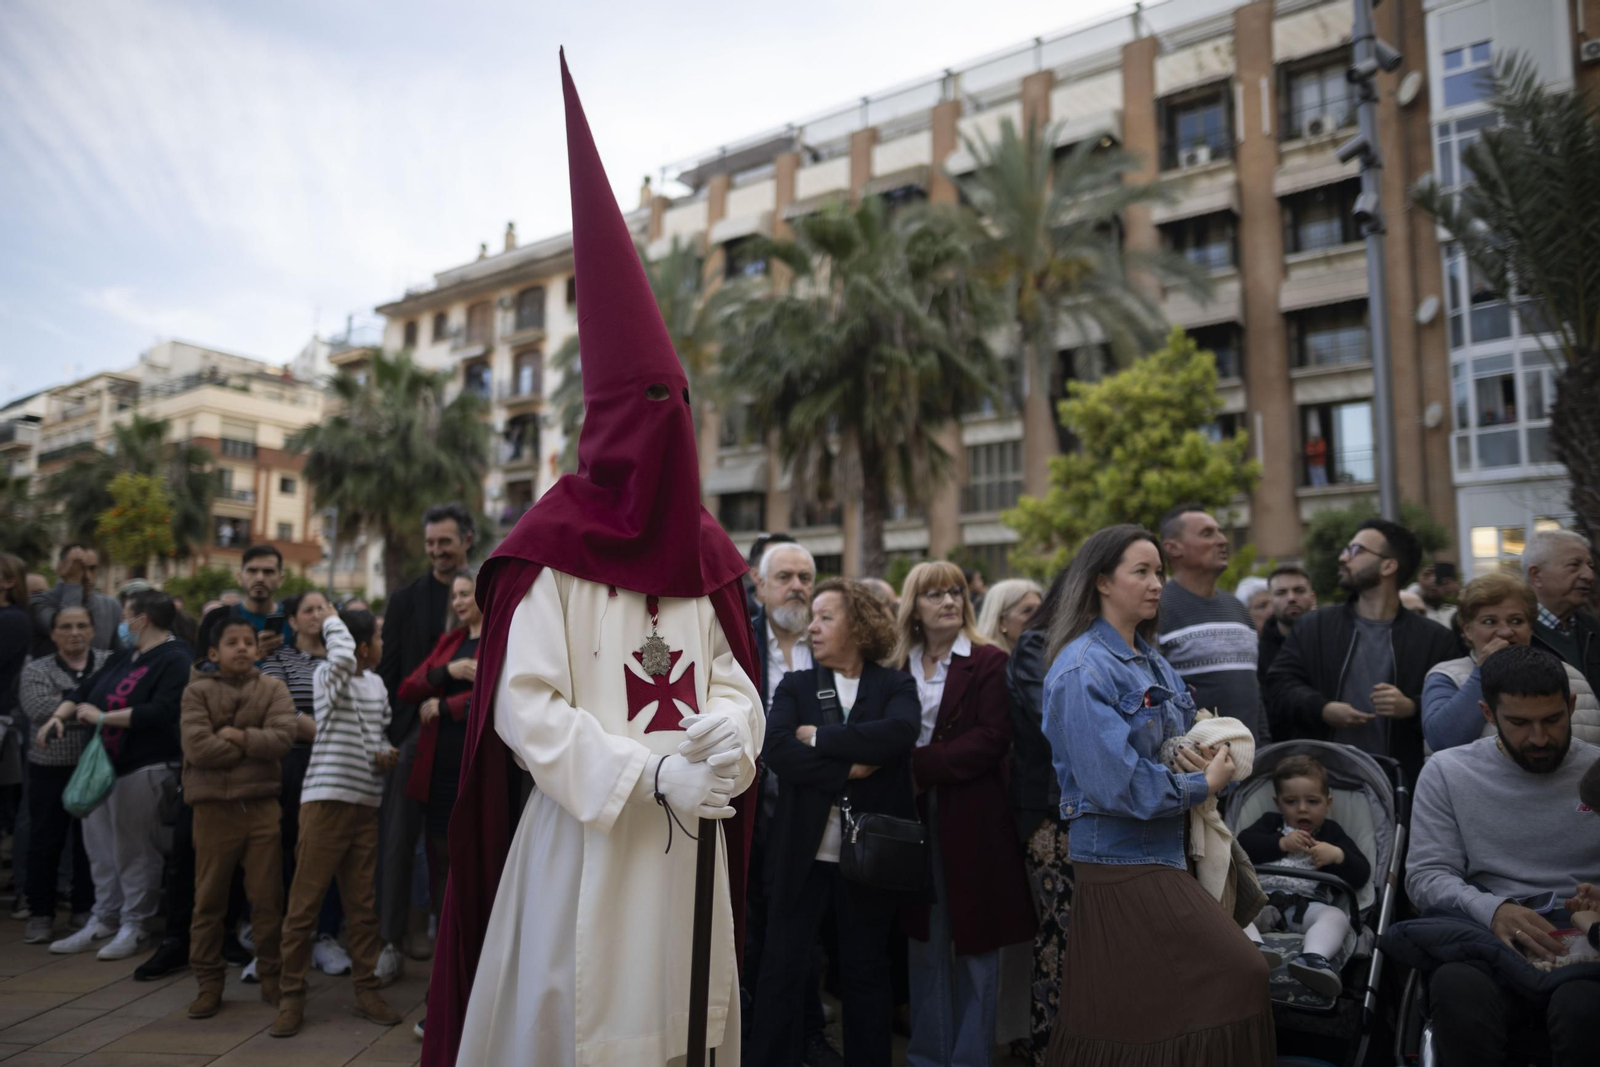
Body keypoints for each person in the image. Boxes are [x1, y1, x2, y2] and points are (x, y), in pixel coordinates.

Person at [423, 55, 765, 1067]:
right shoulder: (552, 547)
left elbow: (738, 683)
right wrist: (645, 769)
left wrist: (724, 740)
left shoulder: (703, 556)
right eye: (648, 409)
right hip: (587, 837)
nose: (669, 431)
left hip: (684, 845)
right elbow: (525, 705)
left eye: (679, 409)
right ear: (607, 424)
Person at [1041, 524, 1272, 1064]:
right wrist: (1201, 782)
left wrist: (1186, 753)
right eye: (1140, 572)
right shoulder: (1080, 668)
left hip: (1164, 852)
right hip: (1121, 858)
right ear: (1101, 581)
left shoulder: (1151, 659)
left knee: (1141, 1009)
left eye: (1159, 572)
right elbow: (1115, 783)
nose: (1155, 584)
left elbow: (1162, 745)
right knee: (1241, 972)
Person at [748, 579, 920, 1067]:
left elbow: (899, 734)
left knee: (865, 972)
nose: (813, 626)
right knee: (781, 970)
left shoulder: (894, 684)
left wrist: (820, 738)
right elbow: (777, 748)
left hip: (868, 861)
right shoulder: (795, 685)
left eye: (826, 617)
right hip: (799, 855)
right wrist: (848, 766)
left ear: (859, 625)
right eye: (814, 617)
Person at [1405, 645, 1600, 1066]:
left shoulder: (1596, 770)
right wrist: (1494, 910)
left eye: (1552, 719)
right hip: (1486, 933)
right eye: (1519, 723)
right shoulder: (1447, 770)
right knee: (1456, 989)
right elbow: (1427, 875)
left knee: (1583, 1005)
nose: (1539, 738)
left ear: (1571, 705)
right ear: (1488, 714)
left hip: (1585, 935)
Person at [894, 561, 1035, 1067]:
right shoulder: (895, 665)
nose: (950, 601)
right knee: (925, 939)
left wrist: (917, 766)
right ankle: (929, 1057)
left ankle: (972, 1057)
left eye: (956, 592)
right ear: (915, 605)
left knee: (978, 939)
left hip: (974, 815)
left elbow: (992, 739)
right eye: (935, 594)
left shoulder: (989, 661)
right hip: (910, 816)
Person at [272, 609, 403, 1037]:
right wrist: (331, 619)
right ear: (362, 646)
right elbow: (343, 657)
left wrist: (383, 751)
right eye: (378, 638)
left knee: (362, 909)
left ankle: (366, 991)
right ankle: (291, 996)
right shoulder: (330, 675)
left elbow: (378, 732)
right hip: (325, 804)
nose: (383, 644)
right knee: (304, 906)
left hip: (365, 805)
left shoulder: (378, 684)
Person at [44, 589, 192, 960]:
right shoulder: (125, 656)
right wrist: (57, 718)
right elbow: (83, 691)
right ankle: (104, 918)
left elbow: (162, 711)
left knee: (135, 850)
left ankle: (134, 924)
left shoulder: (176, 658)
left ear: (142, 619)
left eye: (127, 616)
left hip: (145, 766)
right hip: (104, 768)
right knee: (102, 850)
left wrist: (103, 718)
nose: (122, 624)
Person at [1265, 518, 1459, 782]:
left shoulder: (1435, 639)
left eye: (1356, 550)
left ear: (1388, 565)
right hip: (1316, 788)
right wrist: (1322, 709)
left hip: (1397, 786)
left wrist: (1412, 706)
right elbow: (1278, 686)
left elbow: (1456, 708)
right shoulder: (1314, 626)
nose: (1344, 557)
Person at [375, 502, 474, 982]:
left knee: (451, 847)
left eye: (446, 542)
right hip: (416, 735)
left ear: (466, 542)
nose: (437, 551)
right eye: (431, 542)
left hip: (467, 740)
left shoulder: (488, 595)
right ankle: (391, 940)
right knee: (398, 841)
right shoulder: (404, 599)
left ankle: (451, 945)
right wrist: (398, 735)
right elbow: (393, 675)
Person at [180, 617, 297, 1018]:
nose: (243, 648)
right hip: (213, 810)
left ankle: (271, 977)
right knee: (209, 900)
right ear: (214, 653)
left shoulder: (273, 688)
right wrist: (251, 747)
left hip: (262, 807)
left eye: (249, 641)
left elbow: (283, 738)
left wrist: (238, 736)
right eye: (233, 642)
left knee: (267, 899)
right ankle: (208, 984)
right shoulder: (197, 691)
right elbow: (197, 749)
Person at [741, 541, 830, 1062]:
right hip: (751, 804)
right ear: (760, 585)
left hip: (814, 803)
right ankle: (754, 1035)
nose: (797, 586)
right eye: (785, 577)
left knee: (808, 927)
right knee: (753, 925)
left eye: (805, 577)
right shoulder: (739, 640)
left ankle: (808, 1031)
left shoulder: (828, 640)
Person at [262, 591, 351, 978]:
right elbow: (281, 708)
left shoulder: (344, 658)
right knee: (286, 848)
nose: (316, 615)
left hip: (337, 766)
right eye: (308, 610)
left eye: (323, 608)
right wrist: (332, 735)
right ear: (292, 620)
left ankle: (325, 935)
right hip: (293, 762)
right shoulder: (277, 660)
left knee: (330, 851)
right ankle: (285, 938)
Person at [1002, 569, 1072, 1067]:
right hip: (1052, 814)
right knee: (1060, 941)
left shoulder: (1132, 648)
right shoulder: (1038, 645)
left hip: (1114, 817)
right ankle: (1049, 1050)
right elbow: (1061, 724)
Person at [1237, 754, 1370, 998]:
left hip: (1306, 906)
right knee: (1232, 908)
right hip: (1260, 902)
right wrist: (1281, 843)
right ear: (1278, 803)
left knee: (1336, 916)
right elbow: (1242, 845)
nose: (1302, 808)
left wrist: (1337, 856)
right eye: (1291, 801)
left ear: (1328, 803)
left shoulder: (1331, 833)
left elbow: (1361, 874)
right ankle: (1254, 951)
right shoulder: (1270, 824)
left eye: (1312, 801)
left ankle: (1314, 958)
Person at [1422, 574, 1600, 752]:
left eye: (1516, 621)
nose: (1506, 632)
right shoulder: (1448, 676)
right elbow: (1441, 742)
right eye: (1490, 622)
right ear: (1468, 630)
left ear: (1530, 627)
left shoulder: (1570, 676)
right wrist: (1482, 673)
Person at [396, 570, 481, 943]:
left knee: (467, 856)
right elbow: (408, 689)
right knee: (438, 854)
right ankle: (443, 931)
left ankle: (463, 934)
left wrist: (447, 705)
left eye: (466, 594)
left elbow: (497, 694)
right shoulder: (452, 640)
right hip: (438, 765)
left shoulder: (501, 638)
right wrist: (449, 670)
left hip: (474, 762)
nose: (459, 601)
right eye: (455, 596)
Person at [21, 606, 108, 943]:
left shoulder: (109, 661)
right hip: (50, 767)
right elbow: (39, 709)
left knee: (93, 842)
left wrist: (66, 705)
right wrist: (89, 707)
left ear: (93, 629)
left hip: (97, 766)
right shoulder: (36, 669)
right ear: (54, 632)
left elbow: (116, 701)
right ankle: (40, 913)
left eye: (82, 625)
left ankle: (84, 908)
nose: (75, 632)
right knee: (46, 840)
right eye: (66, 626)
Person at [1156, 504, 1269, 742]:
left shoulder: (1238, 608)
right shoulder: (1156, 608)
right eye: (1207, 534)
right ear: (1173, 548)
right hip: (1193, 769)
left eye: (1220, 532)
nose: (1222, 540)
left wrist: (1265, 745)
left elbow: (1254, 693)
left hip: (1251, 763)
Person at [1523, 530, 1599, 691]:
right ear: (1536, 575)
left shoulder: (1592, 628)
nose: (1589, 575)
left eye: (1590, 566)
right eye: (1574, 565)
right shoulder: (1512, 632)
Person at [32, 544, 122, 651]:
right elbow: (68, 633)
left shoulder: (110, 606)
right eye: (80, 569)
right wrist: (73, 582)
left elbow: (117, 653)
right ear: (61, 567)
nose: (87, 577)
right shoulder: (39, 602)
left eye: (92, 569)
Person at [1258, 565, 1316, 683]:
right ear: (1271, 602)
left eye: (1299, 591)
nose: (1291, 598)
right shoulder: (1258, 655)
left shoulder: (1332, 641)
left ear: (1313, 598)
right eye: (1281, 593)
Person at [234, 545, 292, 657]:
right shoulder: (219, 619)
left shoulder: (294, 622)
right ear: (240, 577)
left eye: (268, 572)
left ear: (280, 579)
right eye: (252, 571)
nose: (260, 578)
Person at [976, 578, 1043, 654]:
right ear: (1002, 622)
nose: (1039, 616)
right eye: (1027, 610)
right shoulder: (990, 662)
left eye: (1040, 610)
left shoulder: (1048, 658)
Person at [743, 532, 798, 617]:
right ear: (755, 575)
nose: (796, 585)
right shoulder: (735, 619)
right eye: (783, 576)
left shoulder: (813, 619)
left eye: (803, 577)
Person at [1405, 561, 1459, 629]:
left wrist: (1457, 592)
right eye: (1429, 580)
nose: (1433, 586)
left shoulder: (1454, 612)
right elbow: (1403, 603)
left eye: (1438, 582)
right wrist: (1420, 583)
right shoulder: (1417, 612)